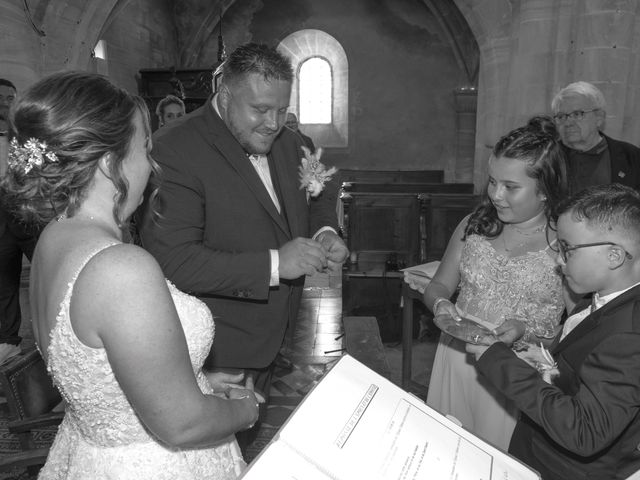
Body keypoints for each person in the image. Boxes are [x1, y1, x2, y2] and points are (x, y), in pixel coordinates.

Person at [0, 71, 259, 478]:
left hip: (90, 453)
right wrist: (246, 410)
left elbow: (108, 371)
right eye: (145, 147)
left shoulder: (55, 237)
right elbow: (181, 424)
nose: (152, 163)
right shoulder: (120, 267)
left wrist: (198, 380)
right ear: (109, 162)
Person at [138, 43, 347, 413]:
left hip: (279, 335)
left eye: (282, 109)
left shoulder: (289, 141)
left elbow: (316, 197)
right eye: (261, 109)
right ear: (225, 93)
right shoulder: (175, 149)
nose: (273, 122)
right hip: (218, 348)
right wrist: (275, 265)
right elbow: (173, 261)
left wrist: (325, 232)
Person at [468, 183, 640, 480]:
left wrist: (496, 359)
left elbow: (585, 431)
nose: (559, 260)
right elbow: (581, 370)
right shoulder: (598, 294)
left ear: (614, 256)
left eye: (568, 249)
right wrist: (536, 357)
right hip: (539, 450)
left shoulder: (630, 334)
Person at [423, 116, 569, 450]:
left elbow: (578, 328)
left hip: (518, 373)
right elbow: (438, 287)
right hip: (457, 357)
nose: (496, 195)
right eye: (492, 181)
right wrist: (441, 305)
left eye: (511, 186)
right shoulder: (474, 225)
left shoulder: (565, 242)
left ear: (545, 189)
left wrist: (527, 331)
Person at [0, 78, 37, 365]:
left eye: (10, 98)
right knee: (4, 279)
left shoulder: (23, 131)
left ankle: (54, 331)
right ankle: (9, 343)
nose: (6, 103)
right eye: (1, 98)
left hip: (24, 208)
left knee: (46, 267)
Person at [551, 81, 640, 194]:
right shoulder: (548, 157)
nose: (568, 123)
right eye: (561, 116)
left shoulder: (631, 157)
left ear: (599, 118)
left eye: (578, 114)